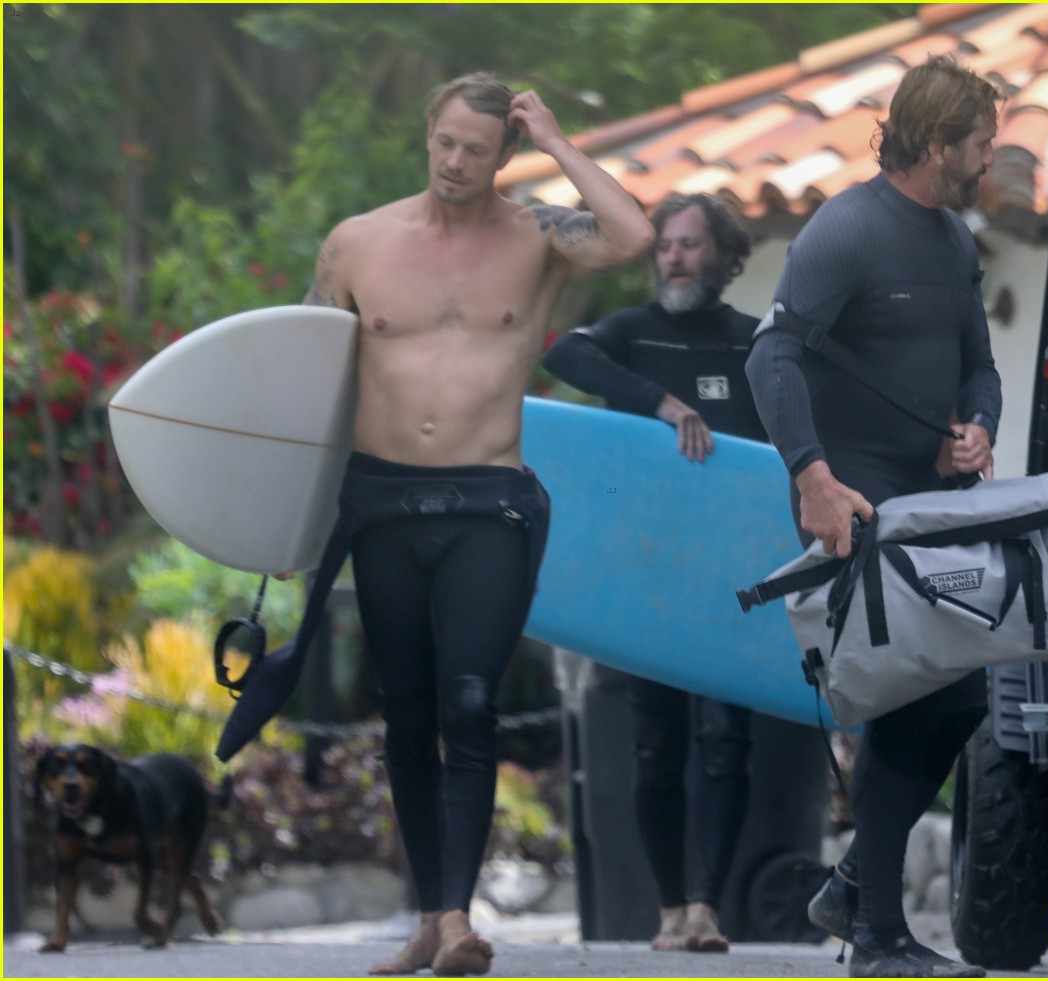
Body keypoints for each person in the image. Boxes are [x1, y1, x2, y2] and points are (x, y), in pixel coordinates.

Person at [215, 72, 654, 977]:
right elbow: (305, 380)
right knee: (408, 714)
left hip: (487, 500)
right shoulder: (357, 243)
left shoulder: (537, 237)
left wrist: (557, 139)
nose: (456, 162)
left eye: (477, 150)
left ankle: (455, 919)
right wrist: (285, 518)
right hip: (380, 503)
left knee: (469, 701)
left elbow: (633, 236)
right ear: (428, 135)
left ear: (505, 155)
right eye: (446, 143)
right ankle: (431, 918)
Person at [745, 55, 1002, 978]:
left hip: (928, 497)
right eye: (981, 142)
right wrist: (811, 478)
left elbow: (980, 365)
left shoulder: (953, 239)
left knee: (959, 693)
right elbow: (770, 358)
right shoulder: (847, 228)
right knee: (909, 691)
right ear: (935, 142)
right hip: (852, 493)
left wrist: (978, 427)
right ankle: (878, 935)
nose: (991, 158)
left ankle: (855, 887)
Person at [543, 192, 765, 953]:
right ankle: (670, 907)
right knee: (655, 743)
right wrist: (660, 402)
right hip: (647, 565)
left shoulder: (751, 342)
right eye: (665, 245)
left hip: (732, 568)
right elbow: (561, 355)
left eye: (690, 245)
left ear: (725, 256)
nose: (673, 258)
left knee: (728, 740)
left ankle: (707, 907)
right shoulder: (630, 333)